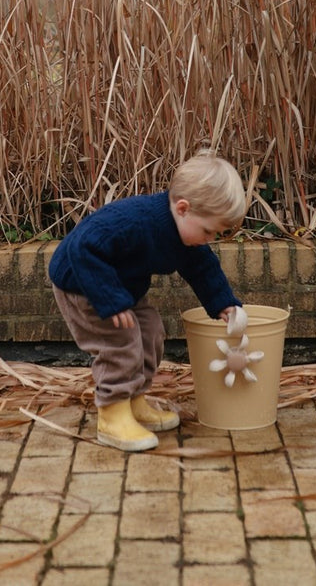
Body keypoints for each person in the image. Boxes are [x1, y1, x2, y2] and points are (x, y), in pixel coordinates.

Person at [48, 150, 248, 451]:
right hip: (83, 283)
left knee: (151, 330)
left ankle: (134, 400)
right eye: (208, 231)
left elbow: (202, 267)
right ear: (183, 208)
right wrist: (111, 300)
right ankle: (113, 413)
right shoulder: (135, 222)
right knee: (120, 341)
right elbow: (82, 246)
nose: (210, 239)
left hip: (121, 288)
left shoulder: (185, 233)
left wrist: (223, 302)